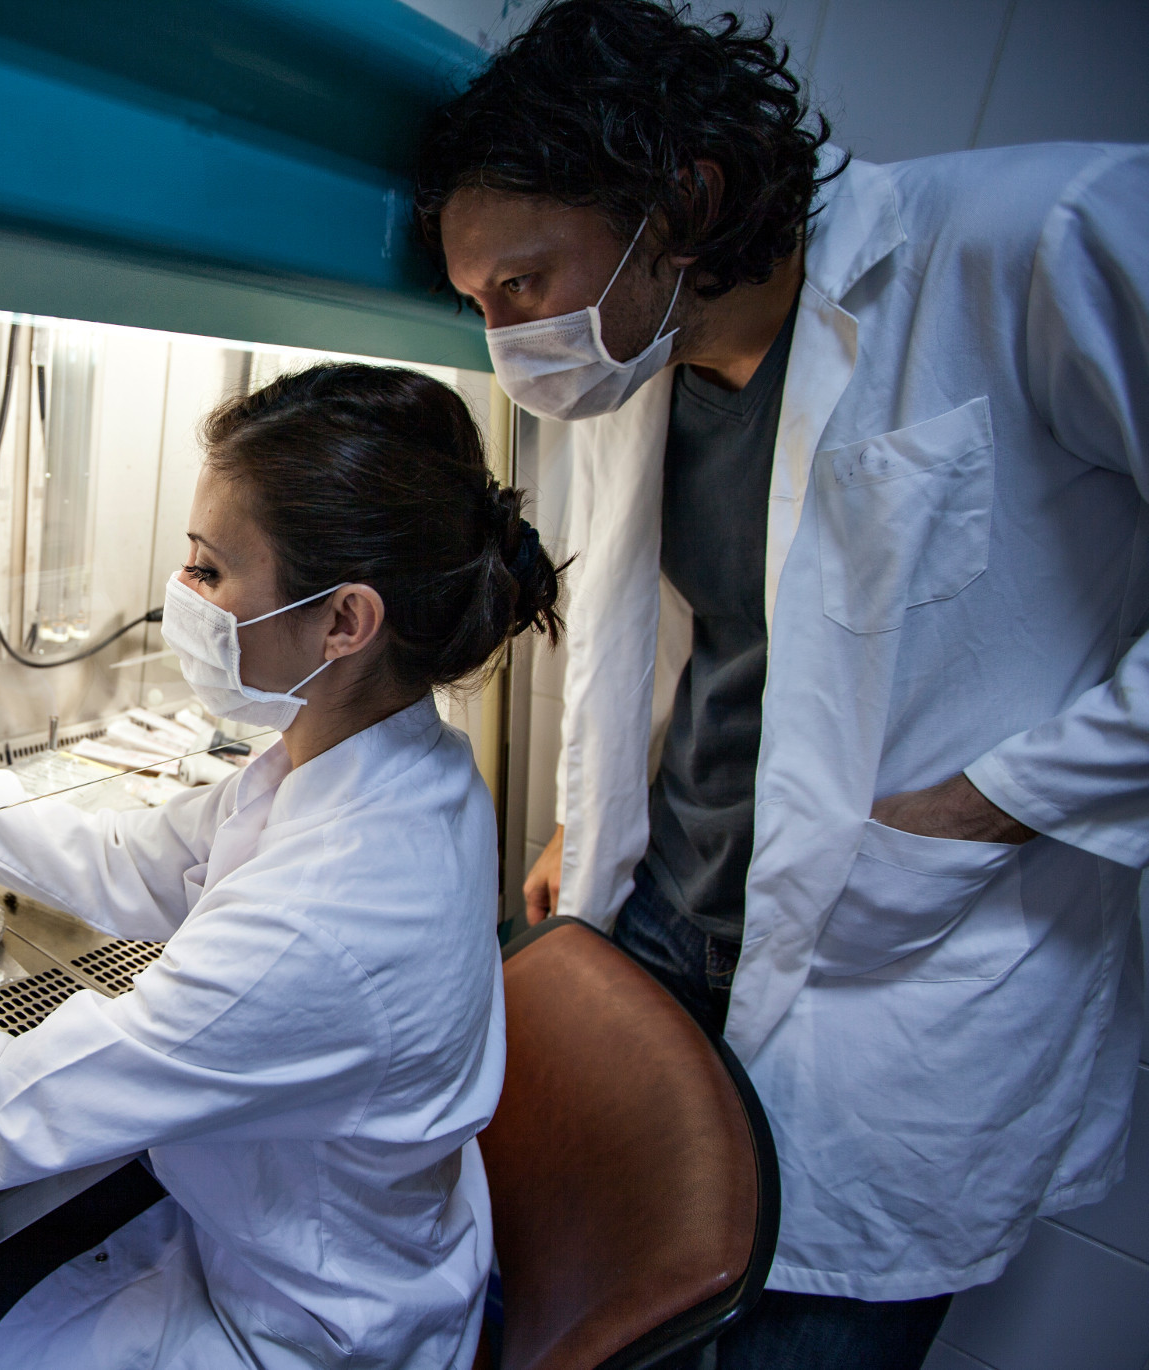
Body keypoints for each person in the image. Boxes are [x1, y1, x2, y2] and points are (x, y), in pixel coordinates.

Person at [413, 2, 1149, 1367]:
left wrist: (992, 801)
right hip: (663, 925)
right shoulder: (643, 362)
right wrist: (599, 809)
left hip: (893, 954)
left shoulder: (1040, 239)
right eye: (478, 305)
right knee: (584, 1312)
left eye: (522, 282)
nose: (509, 337)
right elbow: (717, 630)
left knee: (792, 1338)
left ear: (685, 203)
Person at [0, 363, 563, 1369]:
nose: (181, 596)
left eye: (209, 569)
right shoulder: (397, 760)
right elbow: (133, 861)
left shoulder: (323, 916)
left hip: (302, 1327)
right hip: (298, 1228)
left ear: (343, 621)